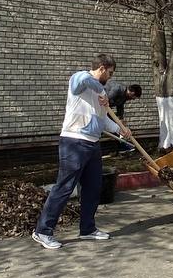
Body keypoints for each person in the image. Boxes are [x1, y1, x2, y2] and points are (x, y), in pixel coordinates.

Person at [33, 54, 134, 250]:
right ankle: (42, 231)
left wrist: (120, 129)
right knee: (64, 187)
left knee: (93, 188)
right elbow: (85, 80)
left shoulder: (100, 92)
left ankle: (87, 229)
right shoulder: (79, 80)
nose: (110, 78)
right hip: (74, 142)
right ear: (102, 68)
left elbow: (101, 119)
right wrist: (101, 92)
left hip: (93, 144)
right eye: (110, 73)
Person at [104, 81, 143, 153]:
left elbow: (120, 106)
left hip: (106, 109)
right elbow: (106, 100)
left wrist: (121, 118)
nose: (133, 99)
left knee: (118, 126)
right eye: (134, 97)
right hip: (99, 107)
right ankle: (121, 145)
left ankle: (121, 146)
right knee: (111, 124)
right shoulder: (117, 89)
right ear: (132, 92)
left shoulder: (125, 96)